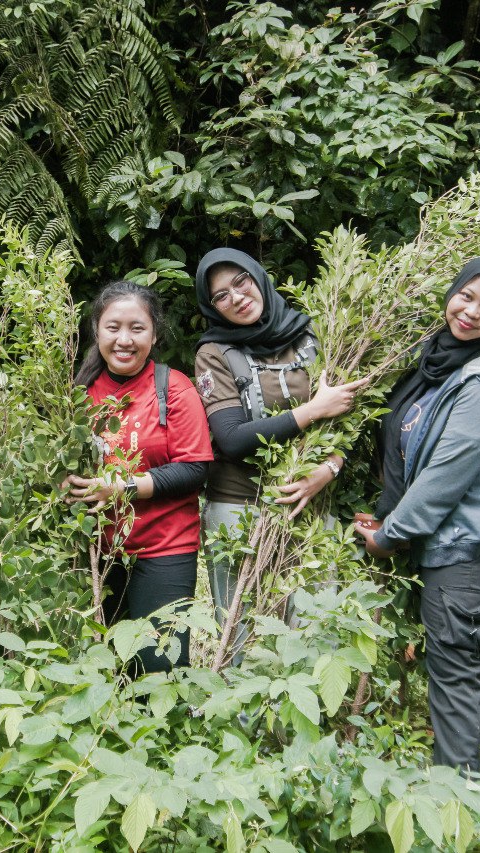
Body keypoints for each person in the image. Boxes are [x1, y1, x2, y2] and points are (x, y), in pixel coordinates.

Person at [354, 256, 480, 774]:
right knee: (462, 648)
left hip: (461, 542)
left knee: (453, 658)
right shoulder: (437, 362)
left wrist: (392, 533)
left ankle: (460, 784)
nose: (471, 312)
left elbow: (443, 479)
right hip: (440, 537)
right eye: (466, 296)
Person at [191, 248, 367, 659]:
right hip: (239, 508)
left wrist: (329, 467)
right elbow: (231, 438)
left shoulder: (314, 336)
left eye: (241, 282)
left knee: (314, 631)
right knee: (241, 637)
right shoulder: (213, 353)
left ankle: (302, 723)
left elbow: (350, 415)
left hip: (310, 505)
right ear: (211, 305)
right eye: (220, 295)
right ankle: (240, 723)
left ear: (259, 278)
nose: (235, 297)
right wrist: (312, 410)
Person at [62, 281, 213, 673]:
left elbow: (195, 467)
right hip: (101, 552)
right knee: (110, 668)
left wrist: (122, 488)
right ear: (96, 331)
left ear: (155, 333)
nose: (124, 339)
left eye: (137, 328)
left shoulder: (174, 388)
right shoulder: (81, 393)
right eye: (113, 327)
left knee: (157, 667)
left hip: (164, 549)